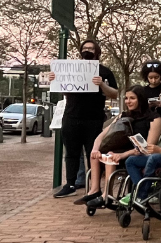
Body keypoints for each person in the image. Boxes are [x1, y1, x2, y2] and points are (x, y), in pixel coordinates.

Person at [43, 39, 119, 198]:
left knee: (93, 152)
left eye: (91, 48)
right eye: (85, 48)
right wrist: (54, 79)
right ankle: (70, 184)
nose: (88, 50)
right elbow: (62, 89)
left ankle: (94, 185)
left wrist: (102, 85)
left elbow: (115, 94)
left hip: (93, 119)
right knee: (71, 153)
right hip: (71, 117)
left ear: (97, 51)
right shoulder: (71, 69)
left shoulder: (104, 71)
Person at [81, 88, 161, 207]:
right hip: (120, 151)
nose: (128, 101)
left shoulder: (154, 118)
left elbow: (147, 148)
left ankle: (106, 195)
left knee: (110, 156)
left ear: (141, 99)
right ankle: (94, 190)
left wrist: (122, 155)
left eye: (132, 98)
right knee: (95, 155)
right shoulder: (123, 115)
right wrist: (95, 149)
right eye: (126, 98)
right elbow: (102, 134)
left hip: (138, 154)